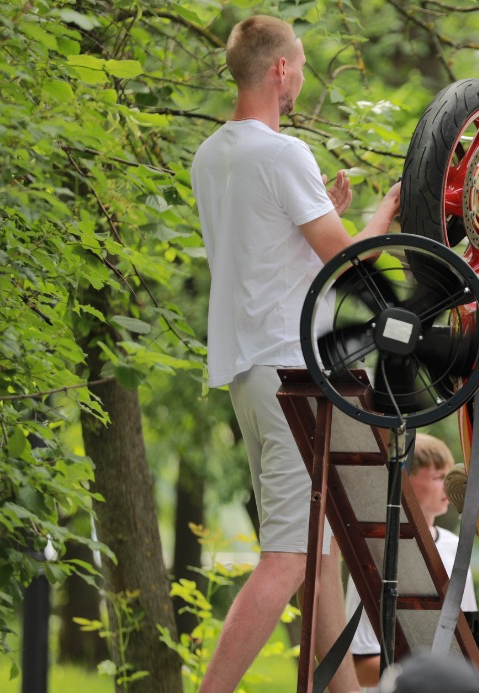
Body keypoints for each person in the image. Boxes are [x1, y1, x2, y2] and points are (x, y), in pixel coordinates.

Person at [191, 15, 401, 693]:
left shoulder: (211, 155)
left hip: (249, 370)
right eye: (301, 64)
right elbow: (342, 264)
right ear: (279, 70)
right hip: (292, 373)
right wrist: (382, 217)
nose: (303, 75)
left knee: (318, 549)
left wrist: (320, 206)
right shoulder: (283, 155)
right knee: (286, 556)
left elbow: (270, 258)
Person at [345, 433, 478, 691]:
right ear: (405, 479)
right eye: (439, 477)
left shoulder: (456, 549)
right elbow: (360, 667)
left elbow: (468, 648)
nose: (449, 484)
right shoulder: (377, 553)